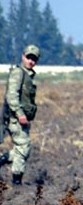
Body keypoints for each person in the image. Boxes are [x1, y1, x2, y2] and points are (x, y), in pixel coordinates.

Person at [0, 45, 40, 185]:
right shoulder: (18, 73)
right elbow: (12, 96)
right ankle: (16, 183)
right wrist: (19, 114)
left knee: (22, 148)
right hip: (15, 119)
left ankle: (3, 160)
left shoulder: (27, 75)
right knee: (23, 147)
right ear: (23, 56)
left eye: (34, 59)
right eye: (28, 57)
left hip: (19, 119)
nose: (31, 61)